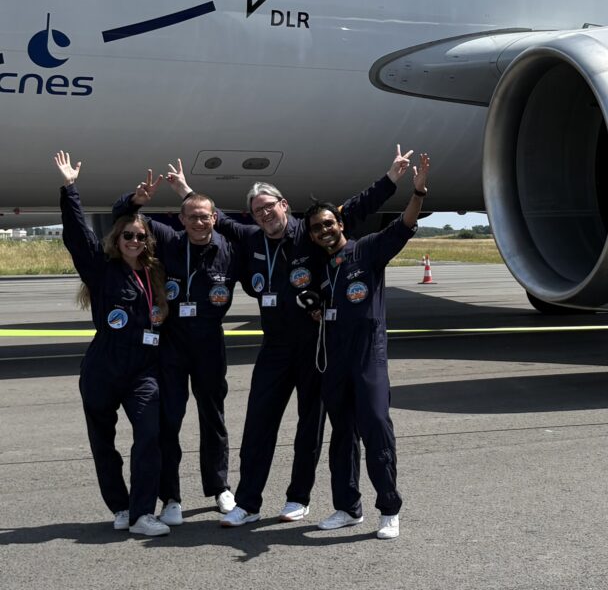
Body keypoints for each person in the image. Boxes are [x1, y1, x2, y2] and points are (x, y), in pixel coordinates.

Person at [165, 147, 413, 526]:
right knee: (258, 422)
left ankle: (298, 498)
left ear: (284, 205)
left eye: (270, 207)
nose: (266, 215)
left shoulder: (309, 233)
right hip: (275, 346)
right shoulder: (249, 236)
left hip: (315, 347)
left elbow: (353, 210)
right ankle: (247, 502)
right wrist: (184, 189)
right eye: (258, 211)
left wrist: (392, 178)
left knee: (308, 427)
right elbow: (211, 217)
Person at [305, 152, 430, 540]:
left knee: (376, 428)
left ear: (340, 224)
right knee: (342, 435)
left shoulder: (369, 249)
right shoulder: (320, 267)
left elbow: (404, 225)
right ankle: (346, 506)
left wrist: (418, 191)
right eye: (317, 228)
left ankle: (388, 507)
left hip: (367, 358)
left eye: (329, 223)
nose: (325, 230)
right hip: (335, 361)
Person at [112, 170, 242, 524]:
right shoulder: (169, 241)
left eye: (205, 216)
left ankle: (220, 487)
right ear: (180, 220)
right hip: (171, 345)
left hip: (210, 345)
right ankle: (171, 496)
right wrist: (136, 198)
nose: (199, 222)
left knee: (213, 418)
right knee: (170, 420)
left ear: (214, 218)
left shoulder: (229, 249)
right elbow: (122, 218)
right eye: (192, 216)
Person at [53, 150, 170, 537]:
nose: (134, 240)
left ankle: (142, 515)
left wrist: (137, 202)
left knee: (149, 436)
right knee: (103, 443)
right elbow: (77, 237)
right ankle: (120, 507)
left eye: (140, 236)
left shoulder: (154, 272)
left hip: (143, 370)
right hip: (103, 368)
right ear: (117, 239)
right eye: (127, 235)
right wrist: (70, 189)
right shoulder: (101, 271)